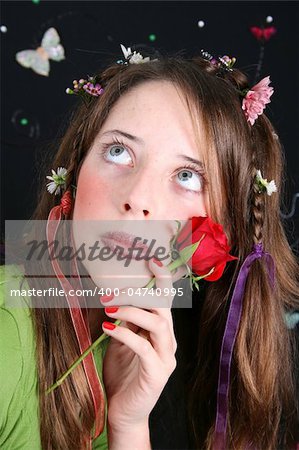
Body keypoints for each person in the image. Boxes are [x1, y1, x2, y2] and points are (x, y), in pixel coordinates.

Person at [1, 44, 298, 450]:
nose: (138, 197)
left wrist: (128, 425)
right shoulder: (6, 331)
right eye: (119, 151)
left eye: (188, 176)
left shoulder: (142, 355)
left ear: (226, 225)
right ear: (74, 172)